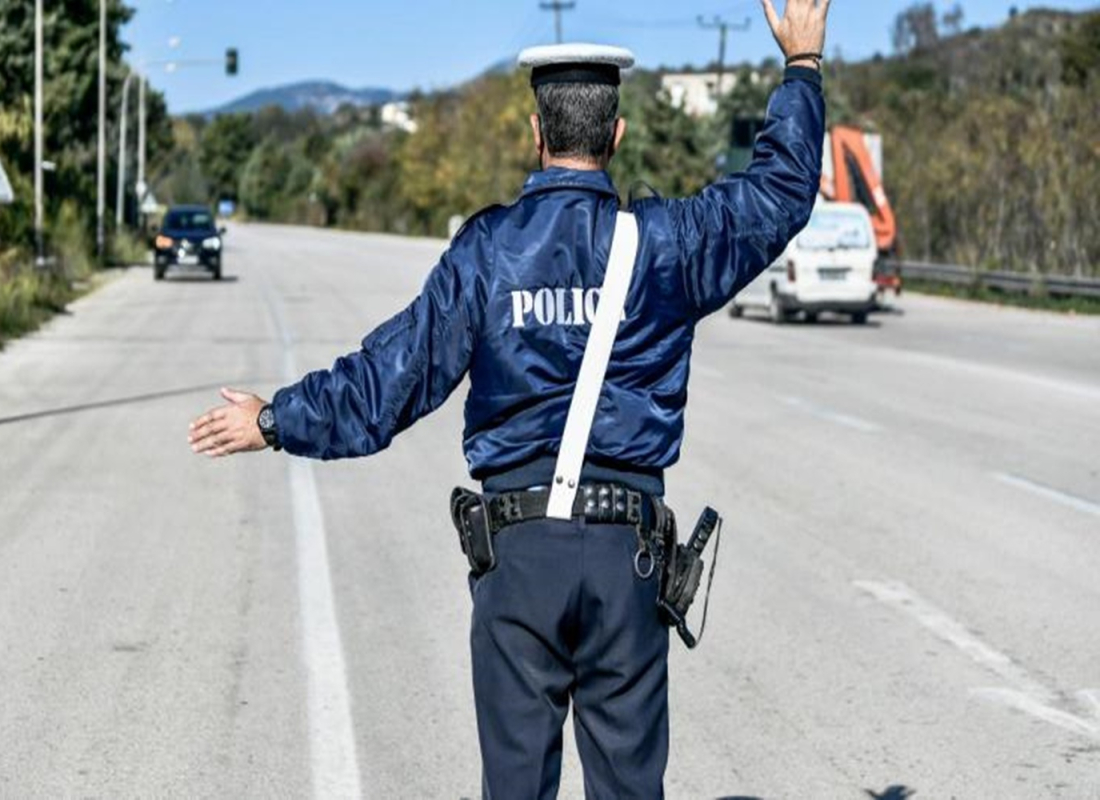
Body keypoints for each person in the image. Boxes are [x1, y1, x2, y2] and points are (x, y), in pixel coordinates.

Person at [188, 0, 831, 795]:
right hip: (629, 558)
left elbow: (392, 378)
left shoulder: (489, 251)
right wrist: (802, 63)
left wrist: (276, 420)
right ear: (616, 134)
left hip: (518, 556)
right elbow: (780, 193)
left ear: (537, 133)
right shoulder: (669, 244)